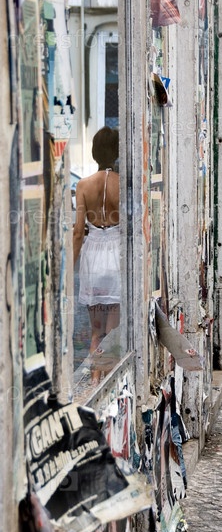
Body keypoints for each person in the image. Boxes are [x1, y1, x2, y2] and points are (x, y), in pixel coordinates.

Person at [73, 126, 120, 385]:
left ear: (94, 152)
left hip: (92, 258)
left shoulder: (83, 185)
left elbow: (78, 232)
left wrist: (72, 264)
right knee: (112, 333)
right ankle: (109, 386)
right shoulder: (123, 184)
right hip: (115, 257)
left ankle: (93, 382)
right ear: (117, 152)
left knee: (96, 331)